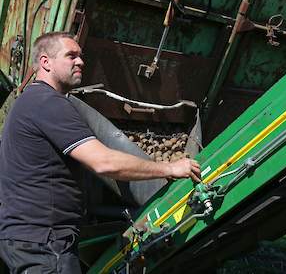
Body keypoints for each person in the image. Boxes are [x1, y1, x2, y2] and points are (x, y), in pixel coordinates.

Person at [0, 32, 201, 274]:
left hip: (31, 239)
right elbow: (103, 162)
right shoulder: (47, 102)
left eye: (81, 56)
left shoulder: (30, 102)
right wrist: (169, 168)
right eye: (71, 55)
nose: (80, 61)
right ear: (45, 62)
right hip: (45, 243)